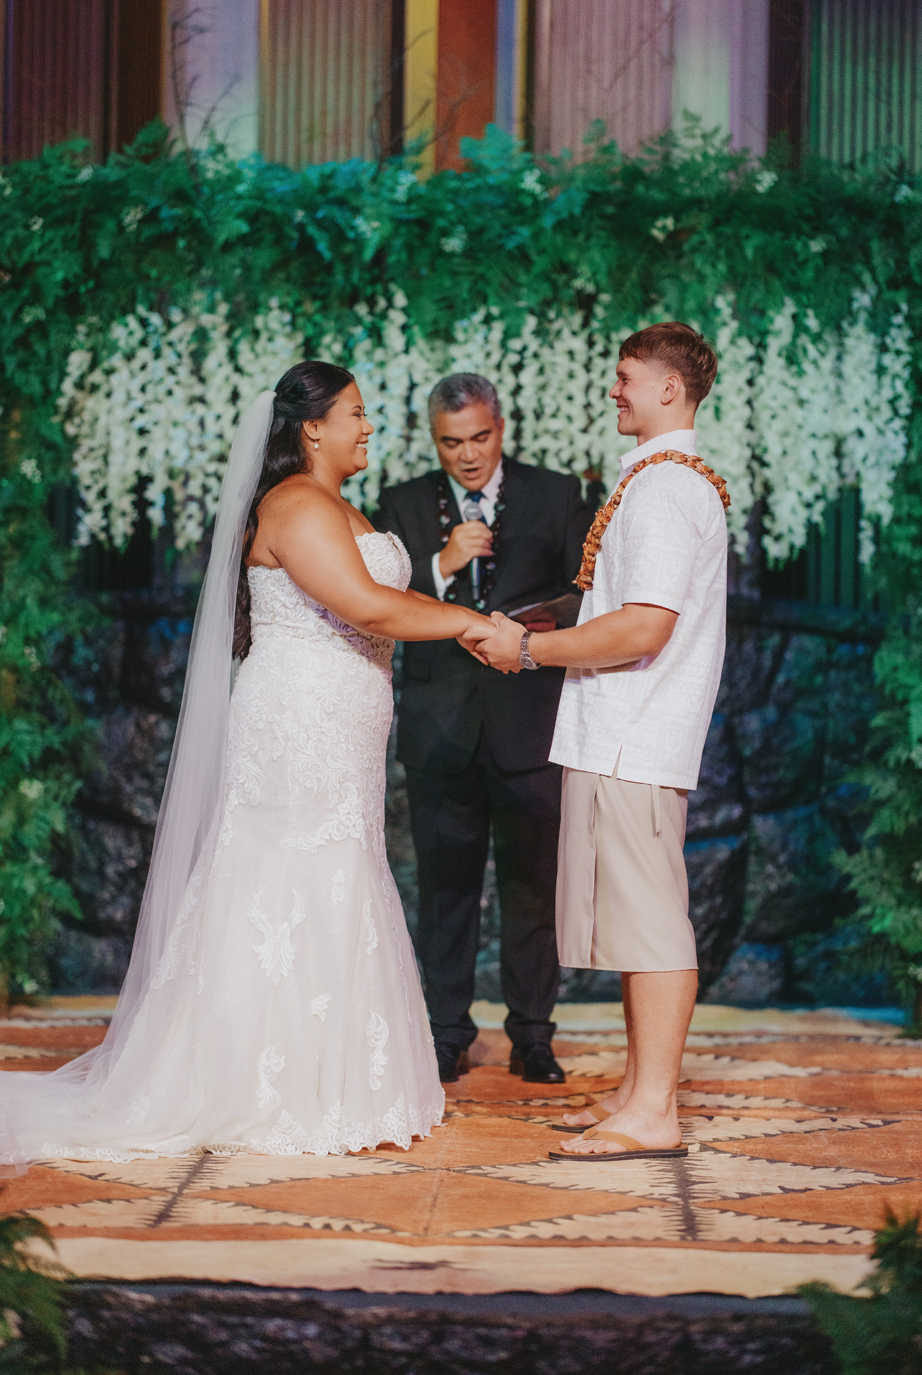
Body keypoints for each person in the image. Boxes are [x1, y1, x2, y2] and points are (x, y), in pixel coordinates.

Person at [0, 362, 491, 1167]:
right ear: (313, 429)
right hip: (298, 722)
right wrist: (474, 625)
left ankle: (334, 1076)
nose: (369, 426)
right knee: (285, 875)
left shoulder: (340, 504)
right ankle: (267, 1083)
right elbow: (366, 604)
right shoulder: (295, 504)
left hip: (342, 722)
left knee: (339, 867)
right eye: (356, 413)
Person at [473, 324, 730, 1160]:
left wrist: (529, 648)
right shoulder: (657, 480)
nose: (613, 390)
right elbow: (622, 603)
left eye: (625, 377)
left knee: (653, 924)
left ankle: (655, 1110)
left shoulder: (666, 489)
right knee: (635, 919)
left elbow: (646, 625)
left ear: (668, 388)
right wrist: (552, 618)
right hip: (617, 730)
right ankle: (636, 1089)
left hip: (635, 733)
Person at [376, 375, 592, 1085]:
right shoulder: (402, 503)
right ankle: (446, 1034)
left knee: (534, 888)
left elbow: (586, 594)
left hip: (530, 721)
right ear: (433, 439)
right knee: (445, 892)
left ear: (501, 427)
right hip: (441, 727)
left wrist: (530, 630)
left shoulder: (555, 493)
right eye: (451, 442)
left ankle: (533, 1035)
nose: (467, 455)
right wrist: (441, 565)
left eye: (479, 438)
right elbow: (374, 600)